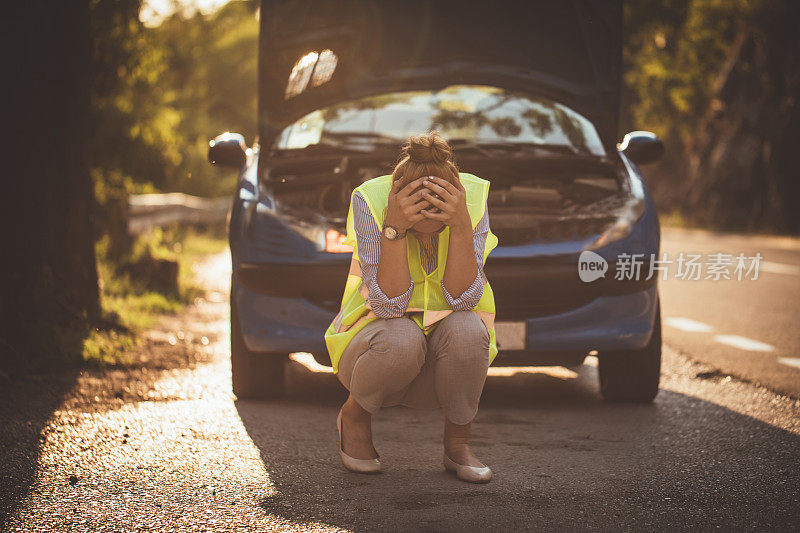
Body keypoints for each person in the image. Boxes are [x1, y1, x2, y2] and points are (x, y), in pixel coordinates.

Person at [324, 130, 499, 483]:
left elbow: (462, 298)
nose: (429, 235)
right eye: (420, 222)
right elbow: (389, 306)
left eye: (438, 225)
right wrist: (394, 229)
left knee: (468, 328)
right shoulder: (370, 199)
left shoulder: (473, 198)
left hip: (444, 360)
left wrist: (461, 225)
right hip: (373, 349)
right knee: (401, 337)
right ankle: (355, 415)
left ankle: (457, 444)